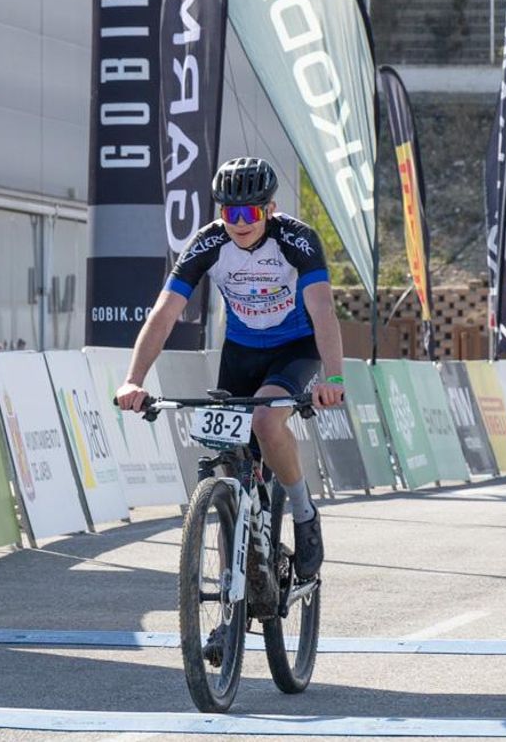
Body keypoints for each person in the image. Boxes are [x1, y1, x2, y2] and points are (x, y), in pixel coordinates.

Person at [114, 157, 346, 579]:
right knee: (230, 474)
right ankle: (229, 597)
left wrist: (332, 378)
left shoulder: (297, 239)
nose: (239, 222)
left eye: (250, 212)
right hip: (241, 350)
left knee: (265, 419)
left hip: (295, 347)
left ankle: (303, 510)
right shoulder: (208, 243)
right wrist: (134, 379)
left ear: (270, 209)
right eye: (229, 212)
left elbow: (323, 310)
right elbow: (164, 314)